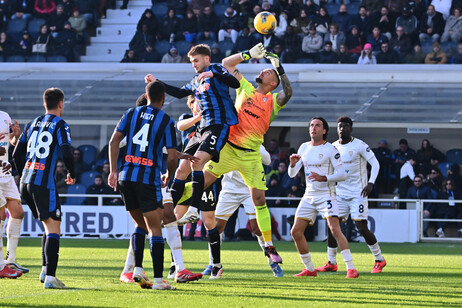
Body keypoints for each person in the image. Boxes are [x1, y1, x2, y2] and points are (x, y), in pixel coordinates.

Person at [176, 43, 291, 268]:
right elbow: (227, 64)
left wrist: (279, 68)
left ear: (273, 83)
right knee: (197, 183)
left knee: (259, 199)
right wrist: (248, 54)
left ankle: (269, 246)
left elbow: (288, 93)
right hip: (228, 149)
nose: (262, 71)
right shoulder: (245, 87)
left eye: (266, 72)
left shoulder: (273, 102)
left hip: (250, 156)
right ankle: (171, 202)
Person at [144, 44, 239, 248]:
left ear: (206, 58)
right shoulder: (196, 81)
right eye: (191, 62)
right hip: (202, 129)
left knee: (197, 164)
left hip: (218, 126)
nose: (193, 65)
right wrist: (157, 83)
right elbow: (179, 93)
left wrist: (214, 76)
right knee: (181, 169)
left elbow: (234, 83)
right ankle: (166, 210)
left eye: (196, 61)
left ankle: (194, 209)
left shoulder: (216, 69)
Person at [118, 94, 202, 285]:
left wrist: (183, 156)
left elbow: (163, 149)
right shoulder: (149, 122)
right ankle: (129, 270)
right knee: (147, 224)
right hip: (147, 177)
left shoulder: (139, 121)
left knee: (167, 217)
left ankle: (179, 268)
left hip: (149, 177)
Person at [108, 81, 177, 290]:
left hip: (126, 177)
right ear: (163, 98)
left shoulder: (131, 113)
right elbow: (172, 156)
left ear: (146, 96)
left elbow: (113, 142)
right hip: (147, 178)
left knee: (140, 224)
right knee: (155, 228)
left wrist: (113, 170)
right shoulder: (166, 121)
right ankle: (158, 281)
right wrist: (169, 174)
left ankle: (137, 269)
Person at [12, 88, 76, 288]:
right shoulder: (60, 124)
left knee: (48, 226)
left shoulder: (32, 124)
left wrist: (25, 172)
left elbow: (15, 155)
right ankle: (50, 277)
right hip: (43, 183)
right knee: (54, 226)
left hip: (26, 183)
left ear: (44, 103)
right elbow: (66, 151)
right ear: (61, 103)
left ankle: (44, 270)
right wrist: (71, 173)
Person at [288, 117, 359, 278]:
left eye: (317, 125)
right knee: (296, 232)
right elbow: (292, 174)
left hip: (327, 194)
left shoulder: (330, 150)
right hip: (309, 194)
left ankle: (351, 268)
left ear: (324, 130)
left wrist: (324, 177)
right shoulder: (303, 147)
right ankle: (310, 269)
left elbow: (342, 174)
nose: (313, 128)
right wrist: (292, 165)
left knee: (334, 229)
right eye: (311, 125)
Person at [316, 116, 385, 274]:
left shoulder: (360, 145)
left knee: (361, 226)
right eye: (340, 126)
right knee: (333, 226)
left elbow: (375, 163)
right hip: (339, 193)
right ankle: (331, 262)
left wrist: (371, 183)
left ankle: (379, 259)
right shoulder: (332, 147)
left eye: (346, 126)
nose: (343, 128)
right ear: (337, 128)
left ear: (351, 129)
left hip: (358, 193)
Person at [202, 145, 284, 277]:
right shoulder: (225, 141)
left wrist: (253, 147)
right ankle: (213, 263)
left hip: (249, 189)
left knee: (256, 228)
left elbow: (268, 160)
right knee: (215, 227)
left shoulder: (253, 141)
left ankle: (272, 261)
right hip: (229, 189)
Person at [0, 112, 27, 279]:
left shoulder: (4, 116)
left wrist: (16, 137)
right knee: (1, 215)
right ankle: (1, 266)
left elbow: (10, 143)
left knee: (18, 212)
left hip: (5, 172)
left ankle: (10, 260)